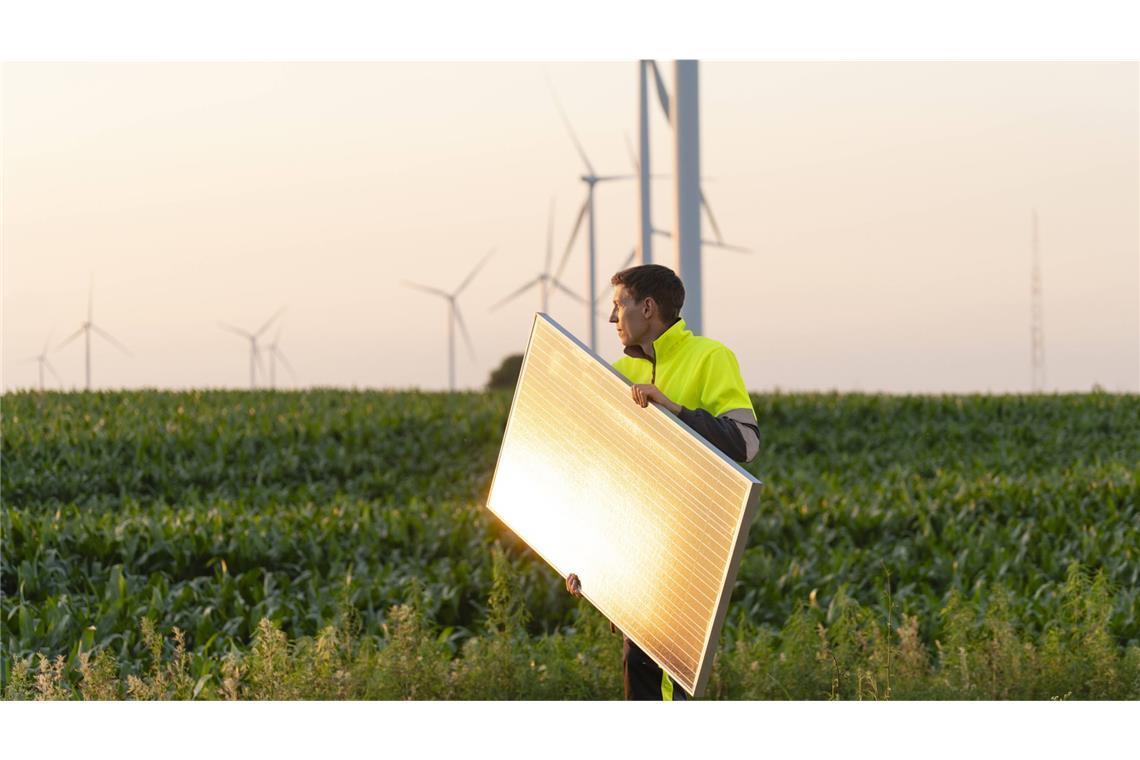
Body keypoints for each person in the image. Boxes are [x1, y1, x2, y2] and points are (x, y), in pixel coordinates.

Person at [565, 263, 760, 701]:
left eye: (619, 306)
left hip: (685, 560)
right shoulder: (616, 373)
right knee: (639, 677)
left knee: (663, 690)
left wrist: (674, 411)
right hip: (635, 560)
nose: (612, 319)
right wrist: (582, 555)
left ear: (648, 307)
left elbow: (746, 443)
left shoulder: (711, 358)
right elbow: (602, 478)